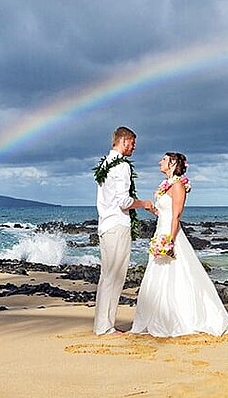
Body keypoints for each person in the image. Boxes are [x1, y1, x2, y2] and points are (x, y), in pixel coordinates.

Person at [130, 152, 228, 337]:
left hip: (170, 233)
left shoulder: (178, 185)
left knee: (177, 272)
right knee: (159, 274)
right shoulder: (166, 185)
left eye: (163, 159)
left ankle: (179, 317)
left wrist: (170, 239)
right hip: (160, 230)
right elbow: (165, 212)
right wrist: (153, 209)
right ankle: (158, 315)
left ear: (172, 163)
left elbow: (176, 215)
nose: (159, 162)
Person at [93, 126, 153, 336]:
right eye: (133, 143)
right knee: (115, 276)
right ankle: (105, 327)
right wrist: (144, 204)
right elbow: (123, 201)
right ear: (124, 141)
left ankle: (102, 324)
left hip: (105, 225)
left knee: (107, 276)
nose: (134, 147)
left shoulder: (105, 164)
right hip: (117, 225)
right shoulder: (122, 166)